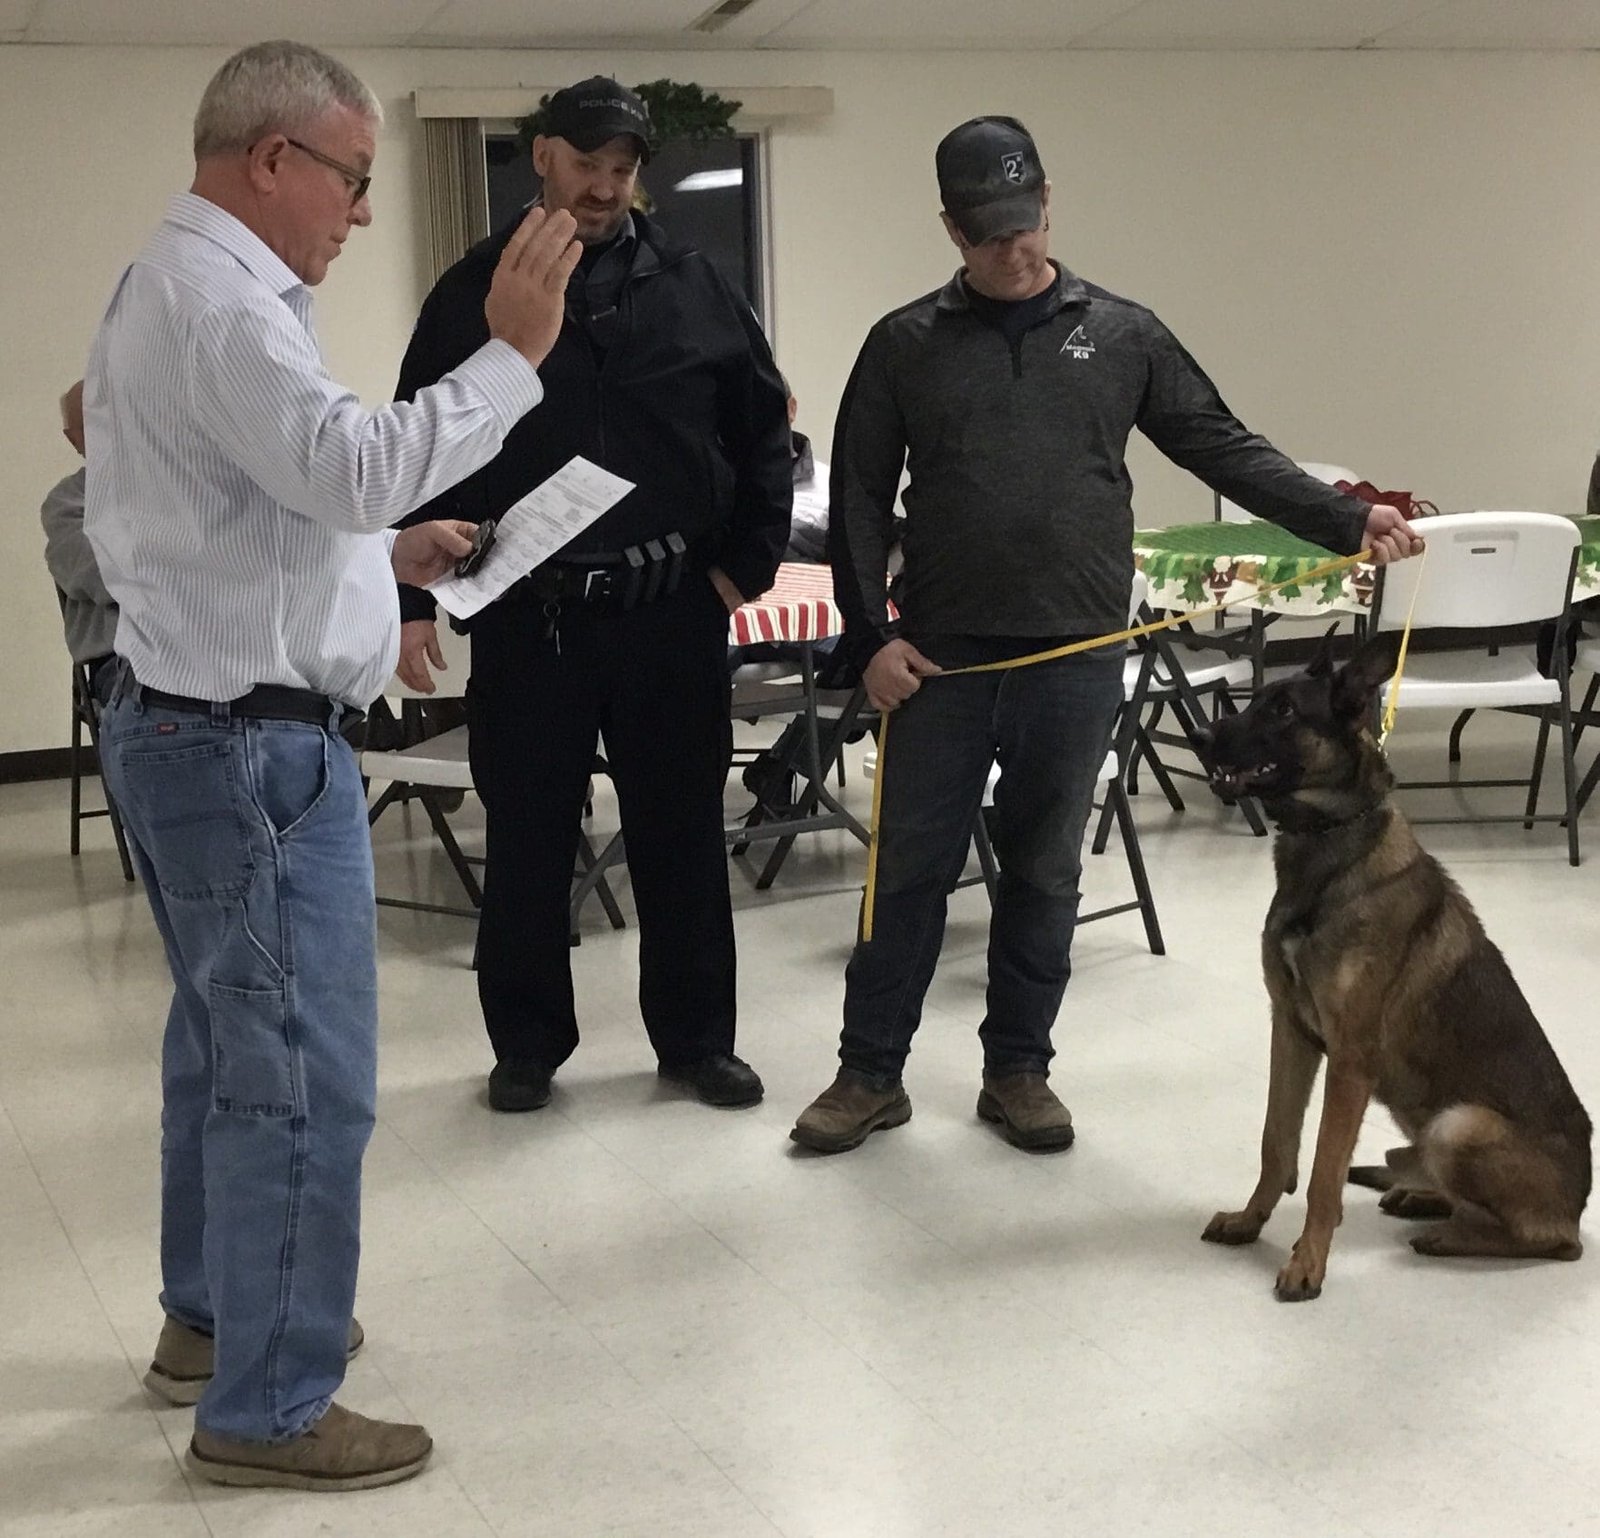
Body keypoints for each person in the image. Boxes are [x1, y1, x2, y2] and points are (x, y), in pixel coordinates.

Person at [84, 40, 580, 1489]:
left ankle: (213, 1321)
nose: (361, 211)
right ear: (270, 161)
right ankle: (270, 1401)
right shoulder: (223, 306)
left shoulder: (178, 287)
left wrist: (380, 555)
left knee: (224, 1052)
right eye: (355, 179)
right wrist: (513, 356)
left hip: (188, 724)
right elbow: (356, 464)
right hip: (247, 753)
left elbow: (265, 500)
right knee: (301, 1079)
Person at [791, 115, 1422, 1156]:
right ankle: (869, 1073)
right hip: (938, 664)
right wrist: (869, 639)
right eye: (987, 230)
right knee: (906, 870)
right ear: (950, 227)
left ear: (1049, 198)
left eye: (1025, 219)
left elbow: (1217, 441)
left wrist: (1345, 518)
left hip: (1074, 661)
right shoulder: (903, 343)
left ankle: (1019, 1070)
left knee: (1044, 872)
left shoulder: (1122, 334)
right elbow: (857, 498)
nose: (1013, 246)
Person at [392, 77, 792, 1116]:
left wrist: (736, 573)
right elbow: (416, 444)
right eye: (587, 165)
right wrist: (409, 605)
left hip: (671, 608)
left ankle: (698, 1041)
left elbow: (761, 437)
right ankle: (526, 1045)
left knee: (681, 836)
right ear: (541, 158)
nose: (607, 187)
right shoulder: (470, 292)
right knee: (526, 835)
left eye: (623, 170)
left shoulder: (697, 284)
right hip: (533, 614)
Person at [40, 381, 118, 691]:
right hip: (122, 660)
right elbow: (100, 575)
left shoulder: (184, 485)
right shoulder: (69, 501)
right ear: (74, 440)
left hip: (210, 651)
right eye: (94, 422)